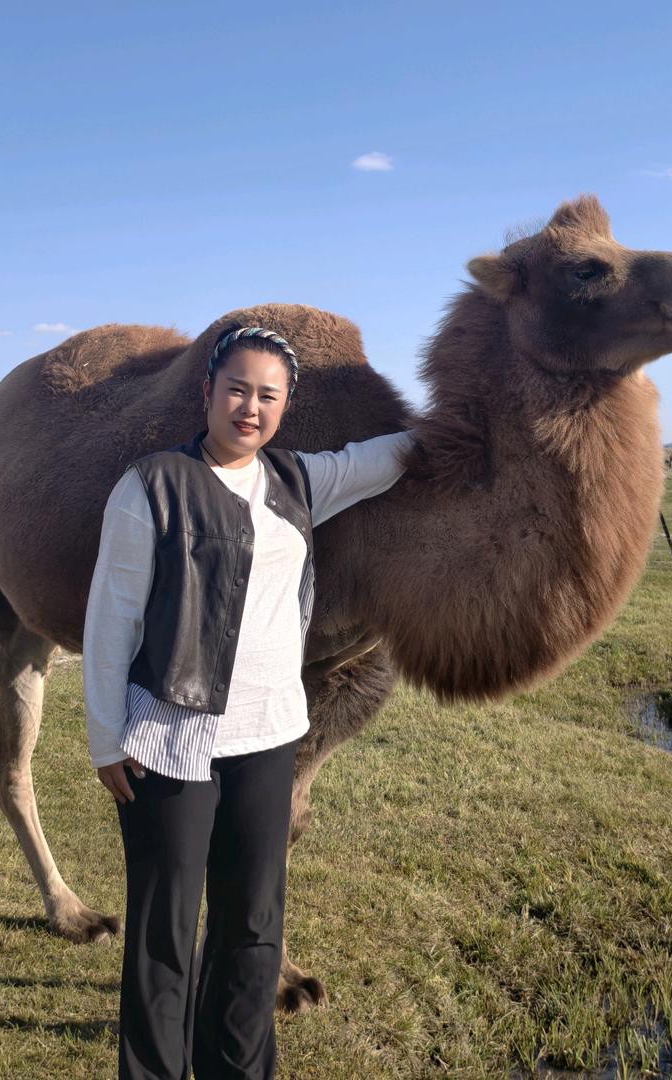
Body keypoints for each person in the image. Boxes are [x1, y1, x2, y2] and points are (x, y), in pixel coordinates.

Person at [83, 325, 416, 1079]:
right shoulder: (151, 485)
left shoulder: (297, 481)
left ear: (285, 405)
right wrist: (107, 737)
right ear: (206, 393)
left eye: (269, 395)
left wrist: (471, 417)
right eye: (237, 388)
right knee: (163, 935)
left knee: (253, 930)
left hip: (268, 740)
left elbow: (389, 457)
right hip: (171, 741)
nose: (250, 407)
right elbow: (112, 619)